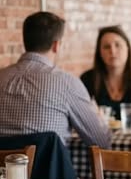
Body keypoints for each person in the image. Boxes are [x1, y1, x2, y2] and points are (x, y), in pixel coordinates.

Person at [0, 11, 110, 148]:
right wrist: (99, 117)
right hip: (46, 163)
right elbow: (101, 142)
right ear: (56, 45)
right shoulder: (67, 83)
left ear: (26, 41)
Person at [81, 25, 131, 122]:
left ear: (128, 48)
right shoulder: (87, 80)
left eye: (117, 45)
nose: (112, 51)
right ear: (99, 52)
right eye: (106, 47)